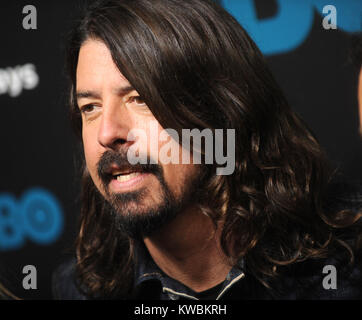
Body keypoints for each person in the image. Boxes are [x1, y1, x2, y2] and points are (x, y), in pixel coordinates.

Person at [53, 0, 362, 300]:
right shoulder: (81, 290)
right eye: (90, 107)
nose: (107, 133)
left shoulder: (345, 261)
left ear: (219, 108)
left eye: (140, 98)